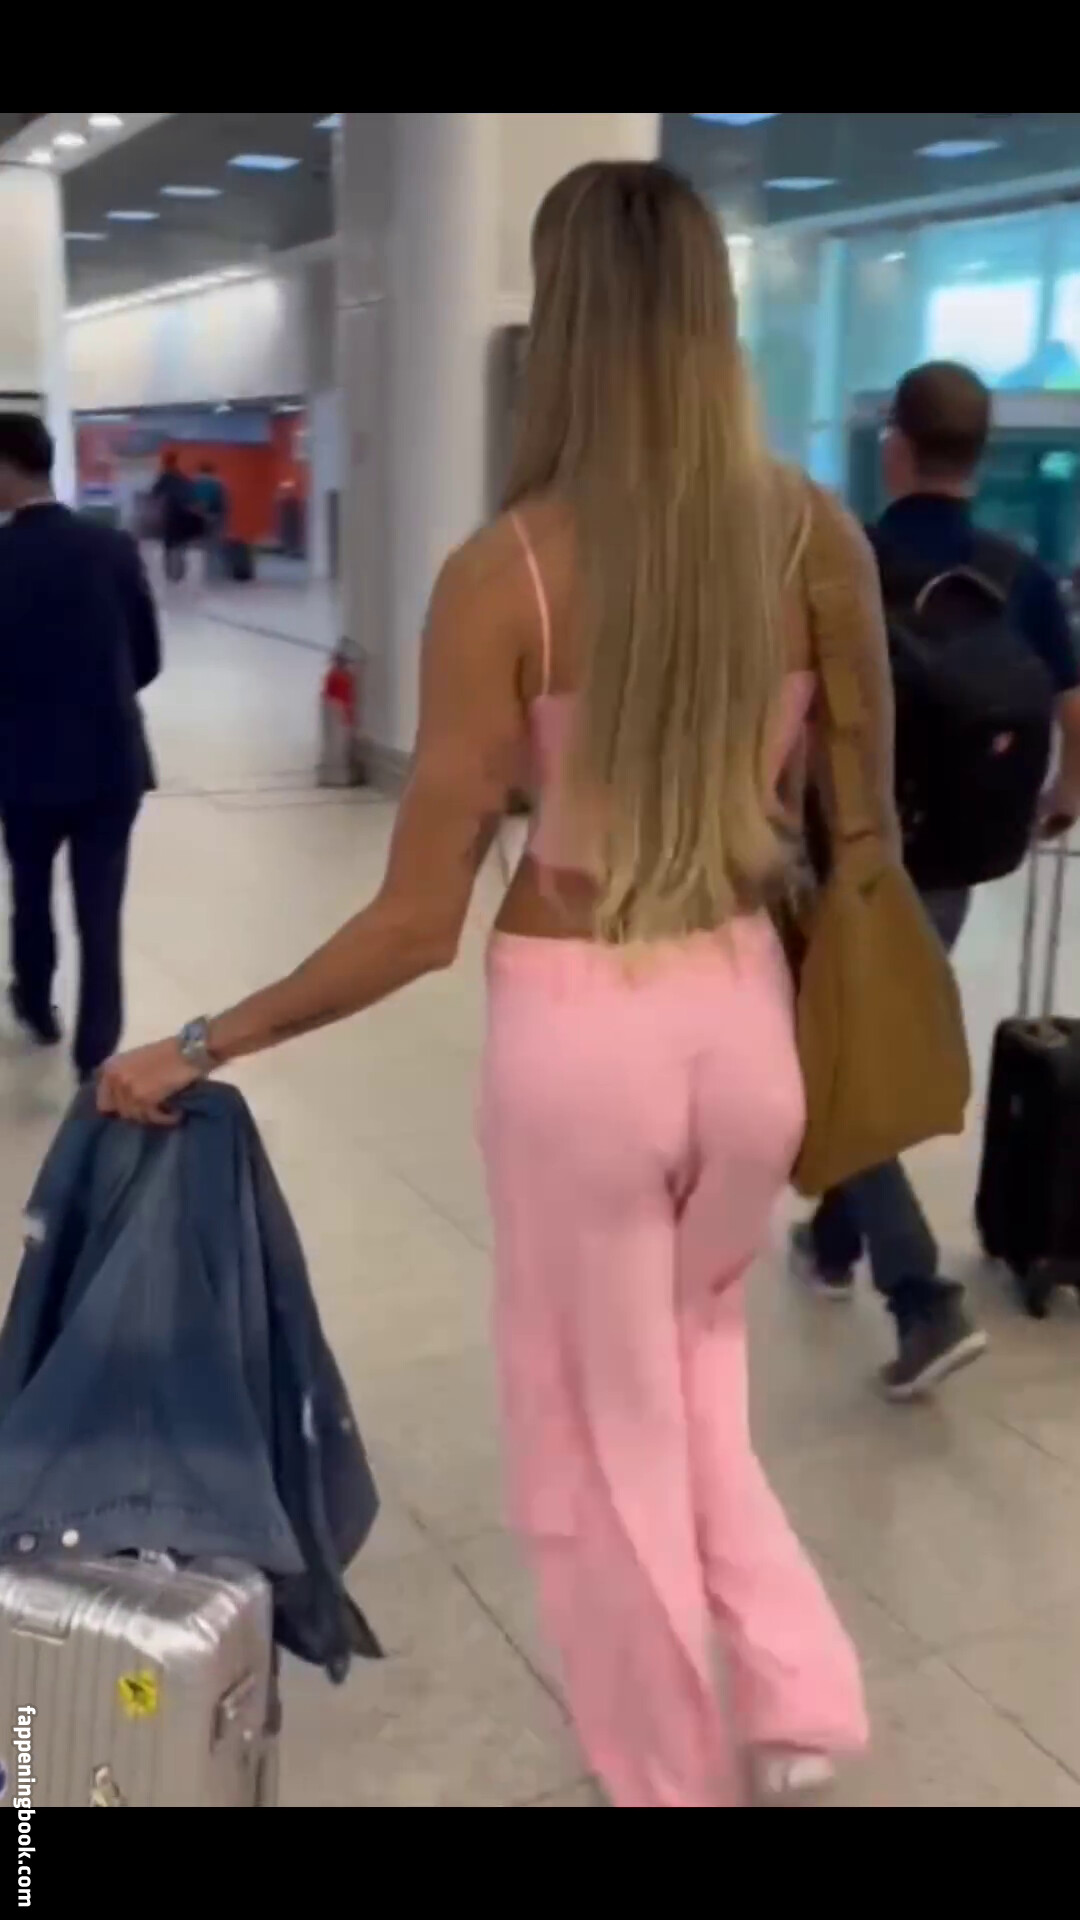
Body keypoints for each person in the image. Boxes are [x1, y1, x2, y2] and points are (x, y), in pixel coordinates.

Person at [97, 163, 891, 1809]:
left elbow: (413, 925)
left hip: (585, 1039)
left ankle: (668, 1772)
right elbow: (857, 819)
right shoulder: (812, 532)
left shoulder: (509, 573)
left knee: (592, 1430)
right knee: (699, 1363)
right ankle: (803, 1701)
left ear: (566, 327)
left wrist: (201, 1039)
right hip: (747, 1019)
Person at [794, 361, 1080, 1398]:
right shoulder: (1019, 574)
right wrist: (1063, 797)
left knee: (836, 1060)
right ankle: (833, 1242)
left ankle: (922, 1297)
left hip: (849, 855)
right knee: (863, 1045)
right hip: (956, 857)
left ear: (896, 448)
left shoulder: (850, 566)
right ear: (981, 454)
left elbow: (795, 720)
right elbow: (1072, 707)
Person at [0, 412, 161, 1082]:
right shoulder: (111, 546)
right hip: (109, 760)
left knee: (30, 891)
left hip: (23, 762)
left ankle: (36, 1003)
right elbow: (147, 657)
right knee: (101, 910)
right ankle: (96, 1050)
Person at [151, 451, 201, 583]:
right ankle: (179, 572)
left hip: (171, 515)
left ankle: (170, 572)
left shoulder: (165, 478)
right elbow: (192, 493)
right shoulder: (183, 478)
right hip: (184, 515)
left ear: (166, 463)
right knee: (181, 544)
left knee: (169, 544)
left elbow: (154, 493)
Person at [193, 462, 229, 581]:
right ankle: (216, 573)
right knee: (215, 547)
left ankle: (202, 573)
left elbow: (194, 502)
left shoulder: (196, 484)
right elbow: (224, 505)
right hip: (216, 518)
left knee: (201, 547)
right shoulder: (218, 485)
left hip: (200, 518)